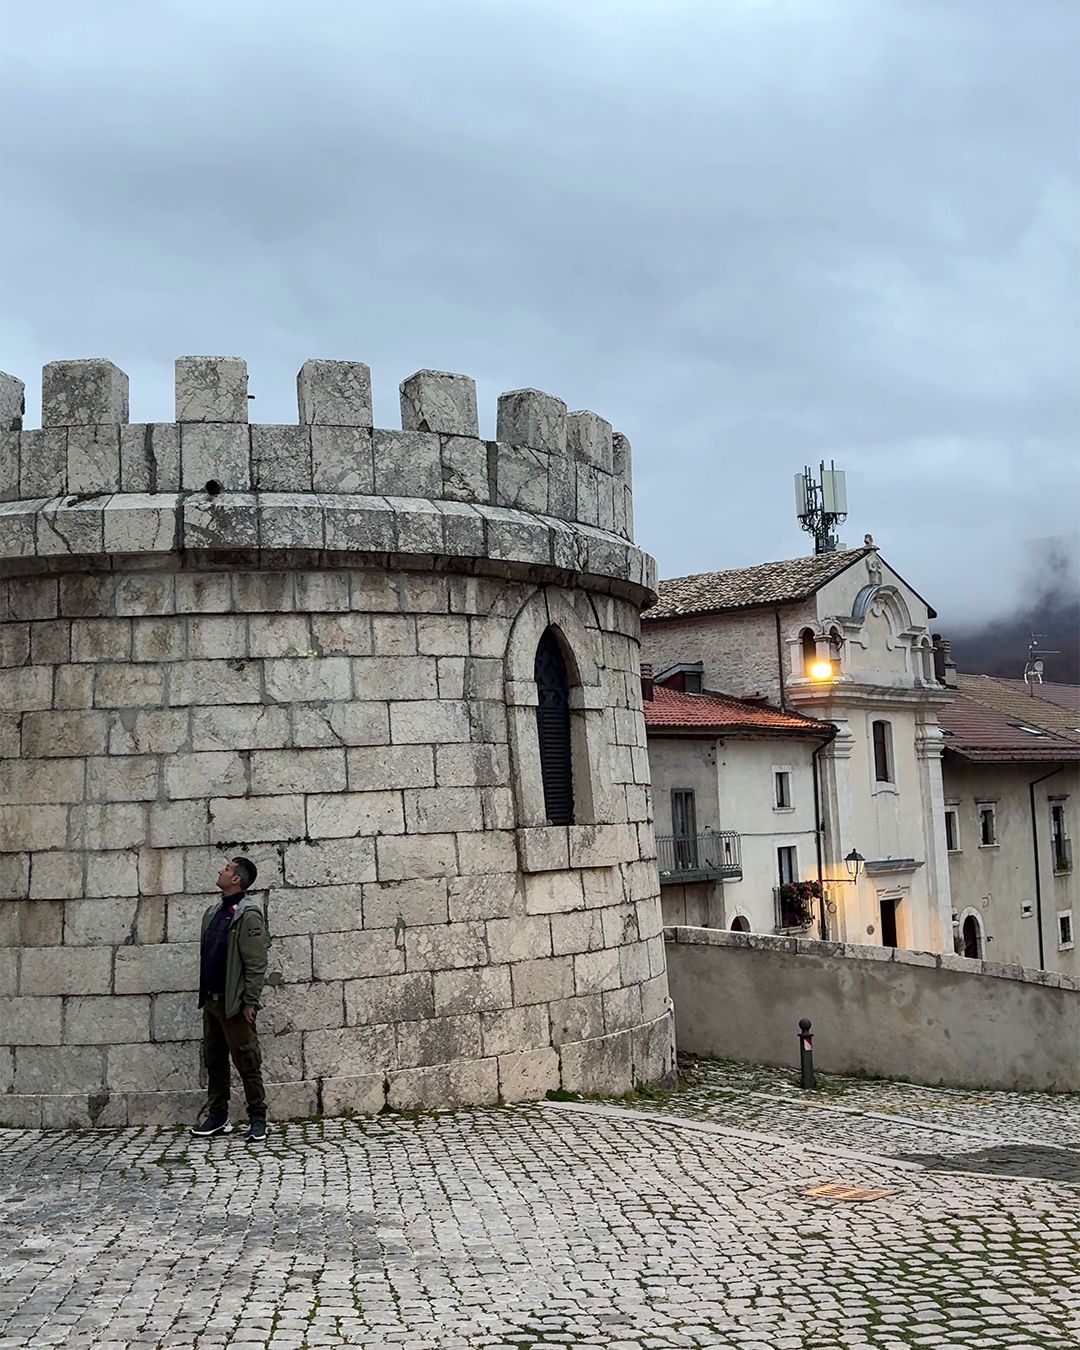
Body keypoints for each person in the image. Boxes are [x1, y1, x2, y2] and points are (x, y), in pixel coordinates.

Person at [191, 857, 271, 1143]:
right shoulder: (213, 912)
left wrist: (250, 1001)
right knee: (214, 1060)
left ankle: (258, 1118)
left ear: (236, 879)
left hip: (234, 1004)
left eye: (226, 869)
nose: (220, 871)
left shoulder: (248, 914)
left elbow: (256, 962)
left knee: (247, 1059)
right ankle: (218, 1116)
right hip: (211, 1002)